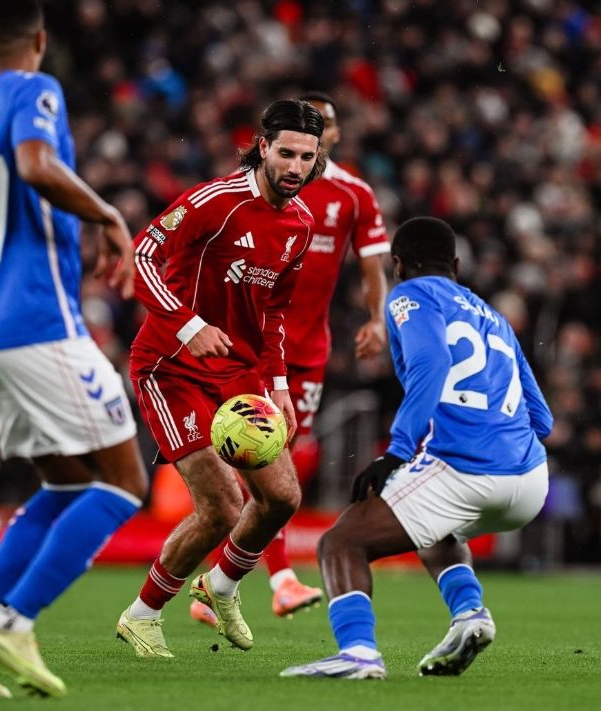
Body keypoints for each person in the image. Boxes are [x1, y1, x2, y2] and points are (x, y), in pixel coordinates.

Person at [0, 0, 148, 698]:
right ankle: (13, 619)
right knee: (124, 483)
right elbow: (35, 165)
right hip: (40, 320)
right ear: (39, 39)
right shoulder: (36, 88)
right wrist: (109, 213)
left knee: (64, 484)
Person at [281, 216, 553, 679]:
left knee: (340, 543)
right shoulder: (494, 317)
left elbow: (431, 360)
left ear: (398, 265)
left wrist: (397, 451)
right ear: (457, 266)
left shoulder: (409, 294)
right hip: (530, 480)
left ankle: (358, 654)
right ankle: (469, 614)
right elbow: (542, 419)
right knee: (436, 528)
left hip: (463, 467)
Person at [115, 99, 325, 658]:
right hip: (172, 366)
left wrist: (278, 385)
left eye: (306, 157)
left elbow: (274, 313)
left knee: (282, 497)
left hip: (239, 372)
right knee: (222, 508)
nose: (295, 167)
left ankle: (222, 585)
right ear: (263, 147)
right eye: (286, 153)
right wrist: (188, 326)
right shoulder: (215, 201)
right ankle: (142, 615)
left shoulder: (301, 225)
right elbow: (141, 257)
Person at [189, 91, 389, 625]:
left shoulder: (353, 195)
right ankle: (276, 580)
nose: (300, 157)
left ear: (332, 137)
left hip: (308, 350)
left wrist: (377, 318)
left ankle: (221, 582)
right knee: (260, 458)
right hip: (251, 348)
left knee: (283, 461)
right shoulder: (258, 190)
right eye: (290, 148)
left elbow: (372, 263)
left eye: (324, 129)